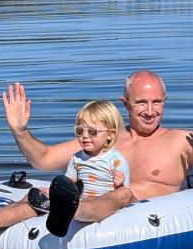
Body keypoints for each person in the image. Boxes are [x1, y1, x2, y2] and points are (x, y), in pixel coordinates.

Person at [0, 69, 193, 244]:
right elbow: (44, 160)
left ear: (165, 102)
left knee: (117, 195)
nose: (150, 111)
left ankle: (70, 209)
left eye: (157, 102)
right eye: (141, 102)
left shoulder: (181, 141)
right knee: (44, 191)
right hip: (85, 201)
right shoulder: (106, 137)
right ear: (125, 103)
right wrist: (21, 131)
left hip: (135, 211)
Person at [25, 99, 130, 237]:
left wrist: (120, 183)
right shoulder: (77, 159)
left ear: (110, 134)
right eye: (80, 130)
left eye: (92, 132)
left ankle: (68, 211)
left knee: (117, 196)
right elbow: (69, 184)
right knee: (47, 193)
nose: (85, 136)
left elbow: (124, 195)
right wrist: (54, 192)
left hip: (104, 201)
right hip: (84, 199)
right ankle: (61, 208)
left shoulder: (116, 160)